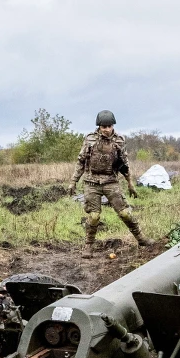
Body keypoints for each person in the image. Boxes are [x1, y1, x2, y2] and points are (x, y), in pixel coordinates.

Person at [69, 109, 146, 258]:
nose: (107, 129)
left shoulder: (119, 140)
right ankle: (88, 246)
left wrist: (130, 183)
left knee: (125, 213)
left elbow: (124, 163)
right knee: (94, 216)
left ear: (113, 126)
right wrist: (73, 182)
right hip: (91, 182)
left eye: (109, 126)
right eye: (104, 127)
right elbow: (81, 161)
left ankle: (142, 239)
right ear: (99, 126)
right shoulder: (90, 139)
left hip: (111, 181)